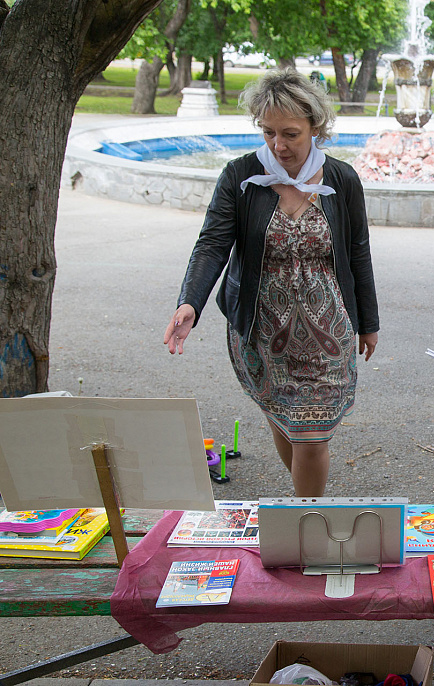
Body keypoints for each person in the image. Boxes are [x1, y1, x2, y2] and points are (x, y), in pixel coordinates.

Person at [163, 69, 380, 497]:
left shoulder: (342, 179)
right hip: (261, 331)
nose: (278, 145)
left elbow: (358, 252)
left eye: (291, 134)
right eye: (268, 133)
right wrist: (190, 303)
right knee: (284, 417)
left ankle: (307, 518)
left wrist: (368, 321)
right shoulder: (240, 176)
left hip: (327, 332)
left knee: (312, 436)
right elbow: (212, 244)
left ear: (316, 128)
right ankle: (302, 510)